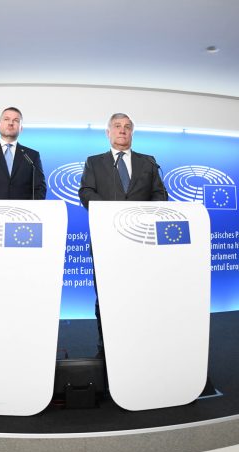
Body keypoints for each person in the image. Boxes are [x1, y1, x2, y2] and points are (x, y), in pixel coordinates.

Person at [79, 113, 168, 355]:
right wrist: (113, 214)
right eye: (117, 126)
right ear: (108, 132)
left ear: (132, 133)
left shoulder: (148, 162)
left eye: (127, 127)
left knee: (141, 293)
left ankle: (142, 341)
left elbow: (160, 194)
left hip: (142, 240)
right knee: (106, 295)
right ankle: (106, 345)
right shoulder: (94, 162)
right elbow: (86, 192)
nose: (122, 130)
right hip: (106, 239)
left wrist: (143, 216)